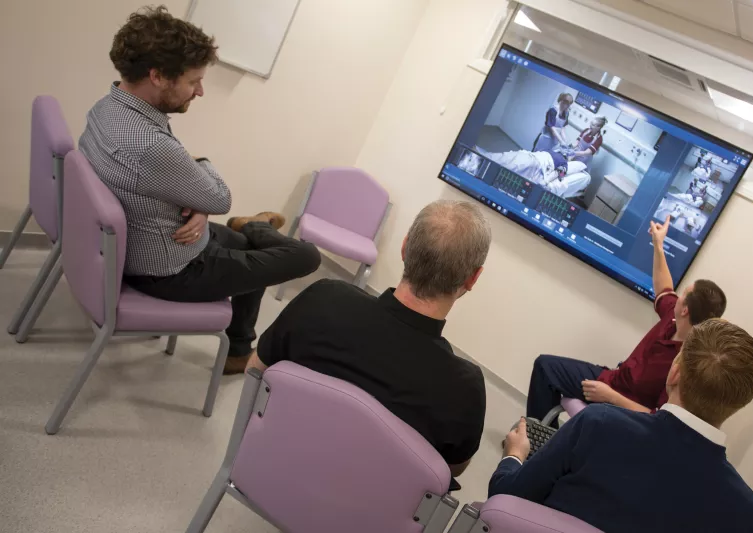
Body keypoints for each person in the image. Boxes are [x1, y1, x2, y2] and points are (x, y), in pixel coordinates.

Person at [79, 6, 321, 375]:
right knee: (306, 256)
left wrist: (197, 200)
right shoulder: (152, 146)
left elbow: (186, 186)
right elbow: (220, 197)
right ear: (158, 76)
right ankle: (256, 225)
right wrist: (201, 186)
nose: (201, 91)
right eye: (194, 81)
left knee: (250, 254)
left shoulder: (107, 108)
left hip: (146, 242)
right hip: (170, 268)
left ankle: (239, 347)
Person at [245, 200, 491, 487]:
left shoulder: (323, 299)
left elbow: (255, 370)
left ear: (404, 247)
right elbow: (453, 468)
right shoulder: (465, 388)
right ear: (473, 278)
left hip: (270, 473)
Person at [492, 318, 753, 533]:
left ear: (675, 373)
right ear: (740, 402)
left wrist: (514, 456)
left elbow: (504, 497)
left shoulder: (597, 424)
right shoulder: (746, 515)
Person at [526, 215, 727, 422]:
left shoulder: (685, 364)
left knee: (548, 372)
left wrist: (610, 397)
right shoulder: (672, 318)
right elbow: (664, 286)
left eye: (683, 294)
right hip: (613, 379)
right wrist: (658, 244)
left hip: (624, 409)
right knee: (545, 367)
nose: (677, 296)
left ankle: (538, 446)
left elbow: (659, 418)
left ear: (685, 310)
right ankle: (538, 439)